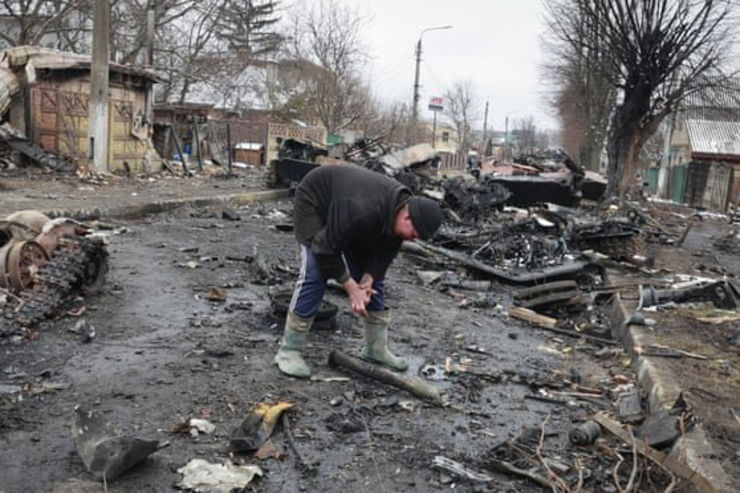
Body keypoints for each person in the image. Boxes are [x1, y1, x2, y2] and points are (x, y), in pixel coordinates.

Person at [275, 165, 444, 378]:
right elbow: (324, 248)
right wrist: (349, 286)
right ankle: (289, 351)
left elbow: (383, 254)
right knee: (316, 272)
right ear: (407, 216)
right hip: (316, 201)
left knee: (373, 283)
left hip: (349, 215)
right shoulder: (361, 210)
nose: (413, 239)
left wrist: (368, 278)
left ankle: (375, 349)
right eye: (414, 234)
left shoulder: (398, 209)